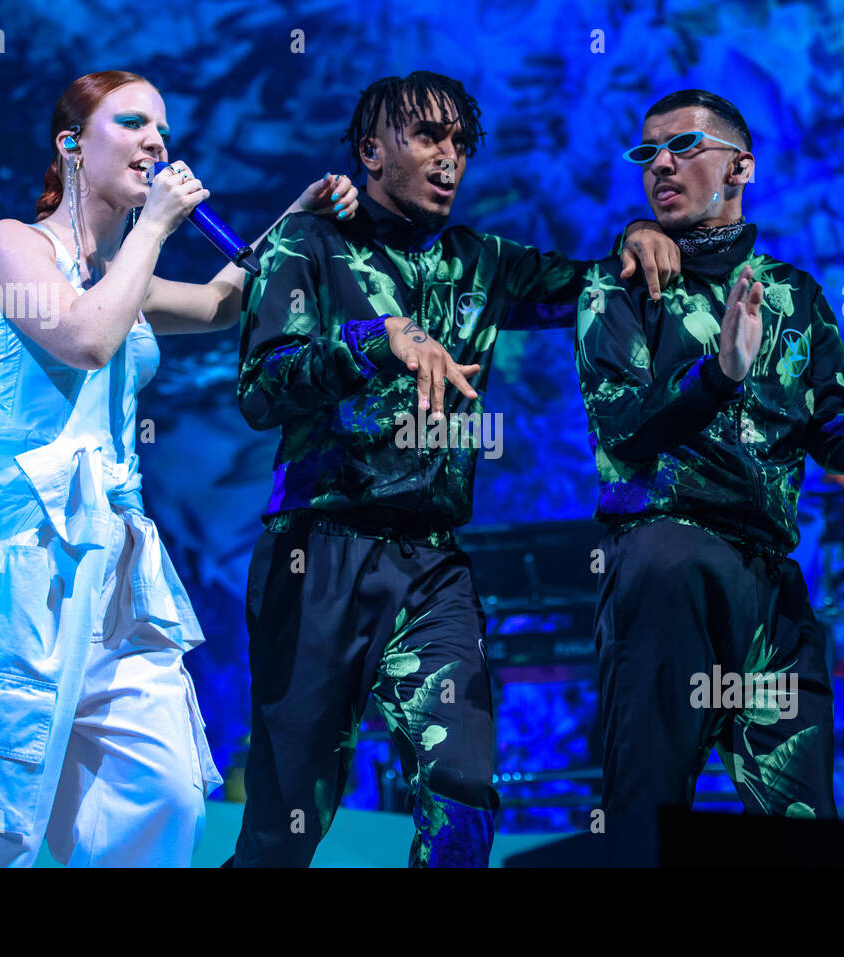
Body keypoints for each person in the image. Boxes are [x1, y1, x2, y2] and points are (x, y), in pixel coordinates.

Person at [0, 70, 356, 867]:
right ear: (72, 144)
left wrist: (296, 221)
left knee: (163, 790)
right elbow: (85, 339)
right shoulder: (9, 245)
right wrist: (156, 228)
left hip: (117, 572)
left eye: (164, 130)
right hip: (22, 560)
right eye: (133, 122)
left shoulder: (123, 277)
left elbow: (218, 303)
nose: (157, 142)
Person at [230, 70, 681, 868]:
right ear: (371, 151)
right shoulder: (307, 244)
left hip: (433, 565)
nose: (450, 157)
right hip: (317, 553)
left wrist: (637, 237)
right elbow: (262, 389)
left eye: (461, 144)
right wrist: (377, 339)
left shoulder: (483, 263)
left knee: (464, 789)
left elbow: (588, 287)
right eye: (429, 138)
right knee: (285, 822)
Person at [576, 89, 844, 847]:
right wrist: (720, 374)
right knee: (646, 813)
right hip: (666, 561)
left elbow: (836, 424)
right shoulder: (615, 288)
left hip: (770, 583)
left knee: (800, 814)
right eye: (647, 152)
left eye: (685, 145)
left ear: (740, 167)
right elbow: (625, 429)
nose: (660, 163)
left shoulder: (792, 293)